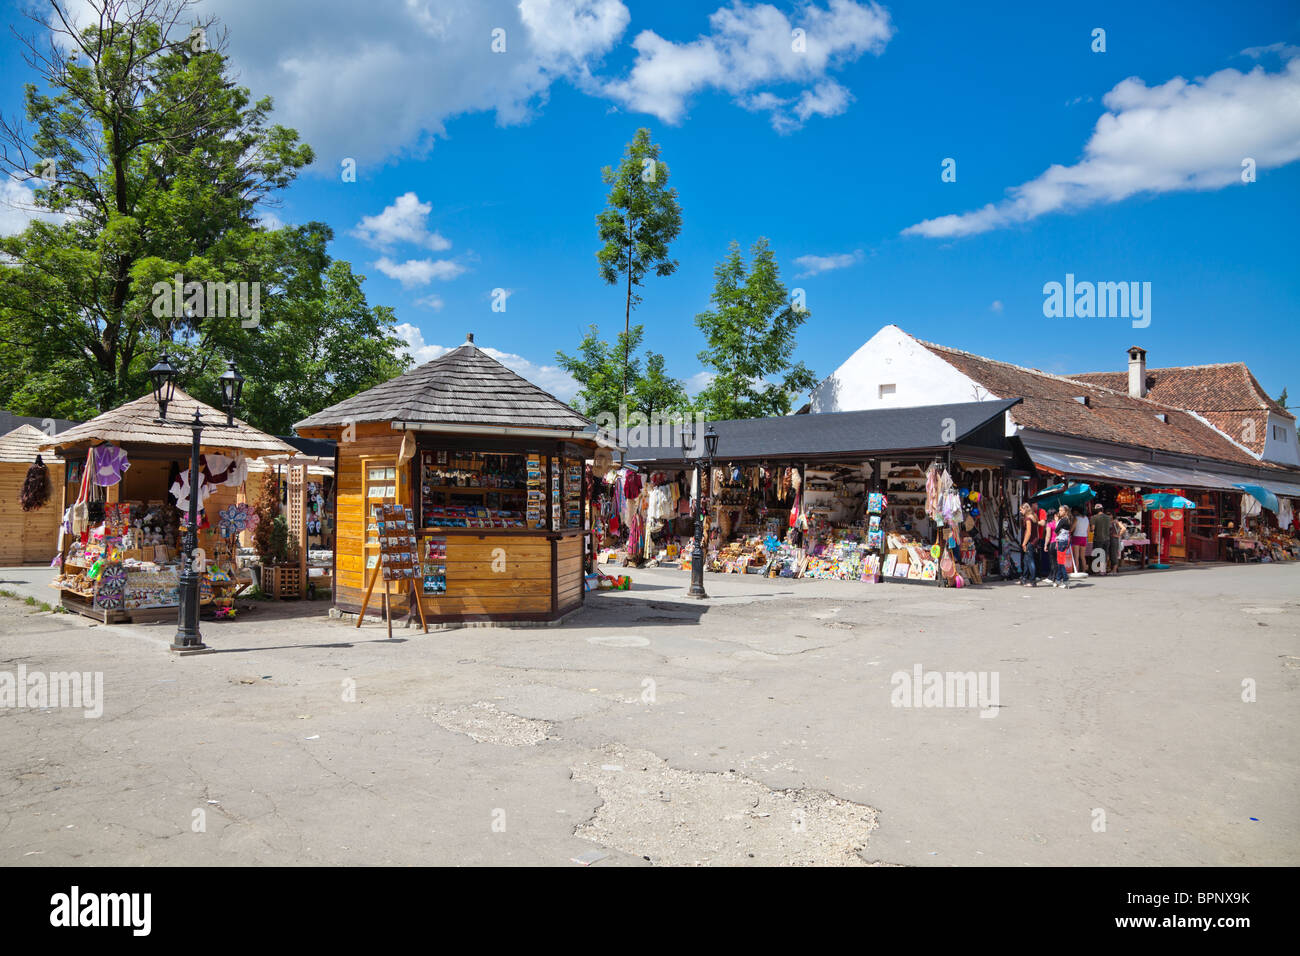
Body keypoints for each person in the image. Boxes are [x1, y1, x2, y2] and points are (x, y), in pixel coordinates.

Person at [1018, 503, 1040, 586]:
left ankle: (1033, 580)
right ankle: (1024, 578)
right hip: (1034, 540)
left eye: (1021, 510)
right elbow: (1036, 531)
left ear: (1025, 509)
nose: (1020, 511)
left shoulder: (1028, 519)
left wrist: (1024, 543)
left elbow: (1028, 532)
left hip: (1030, 541)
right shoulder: (1034, 516)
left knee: (1030, 560)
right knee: (1026, 560)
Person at [1052, 505, 1073, 587]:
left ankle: (1066, 580)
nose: (1059, 512)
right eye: (1059, 510)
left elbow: (1056, 530)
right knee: (1060, 561)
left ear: (1065, 512)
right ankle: (1057, 580)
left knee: (1060, 562)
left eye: (1061, 510)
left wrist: (1057, 521)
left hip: (1061, 541)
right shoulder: (1068, 519)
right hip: (1065, 541)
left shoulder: (1063, 520)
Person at [1091, 504, 1112, 574]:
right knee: (1105, 554)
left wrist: (1091, 529)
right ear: (1102, 509)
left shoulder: (1094, 517)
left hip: (1098, 538)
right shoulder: (1108, 518)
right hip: (1107, 538)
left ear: (1096, 510)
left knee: (1098, 554)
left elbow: (1092, 528)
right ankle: (1103, 570)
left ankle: (1097, 570)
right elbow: (1110, 527)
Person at [1071, 506, 1091, 574]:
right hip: (1084, 538)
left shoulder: (1076, 518)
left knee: (1076, 556)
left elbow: (1072, 529)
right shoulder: (1086, 518)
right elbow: (1088, 530)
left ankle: (1076, 570)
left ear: (1076, 512)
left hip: (1076, 537)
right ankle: (1084, 570)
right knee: (1082, 556)